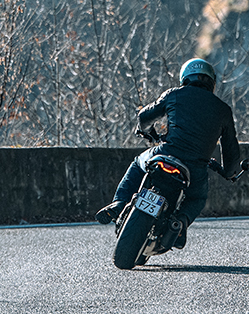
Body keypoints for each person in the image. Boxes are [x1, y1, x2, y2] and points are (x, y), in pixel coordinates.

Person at [95, 58, 241, 246]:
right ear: (212, 82)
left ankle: (119, 202)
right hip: (195, 167)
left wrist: (147, 131)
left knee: (138, 163)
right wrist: (229, 172)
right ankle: (180, 224)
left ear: (185, 78)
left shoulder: (174, 94)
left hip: (165, 153)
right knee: (196, 198)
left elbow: (144, 116)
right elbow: (231, 149)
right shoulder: (223, 109)